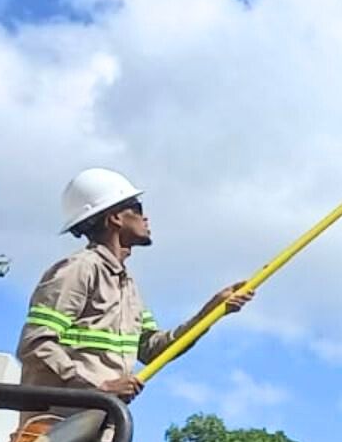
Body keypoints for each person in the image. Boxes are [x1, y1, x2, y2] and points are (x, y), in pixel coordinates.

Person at [18, 168, 251, 401]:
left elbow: (152, 348)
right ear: (115, 218)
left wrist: (211, 312)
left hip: (99, 421)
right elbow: (36, 344)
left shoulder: (128, 287)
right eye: (137, 209)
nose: (146, 218)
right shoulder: (79, 269)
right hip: (58, 424)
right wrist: (97, 388)